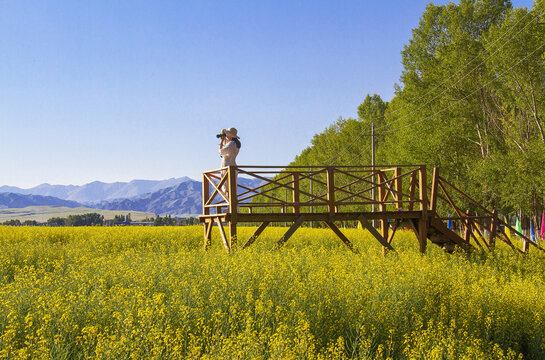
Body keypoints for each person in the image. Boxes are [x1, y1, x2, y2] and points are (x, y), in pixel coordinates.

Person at [219, 127, 241, 194]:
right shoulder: (236, 143)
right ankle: (233, 203)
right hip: (233, 165)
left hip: (227, 166)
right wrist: (224, 138)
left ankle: (229, 203)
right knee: (232, 187)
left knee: (226, 187)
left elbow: (221, 152)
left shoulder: (231, 144)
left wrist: (221, 142)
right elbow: (229, 145)